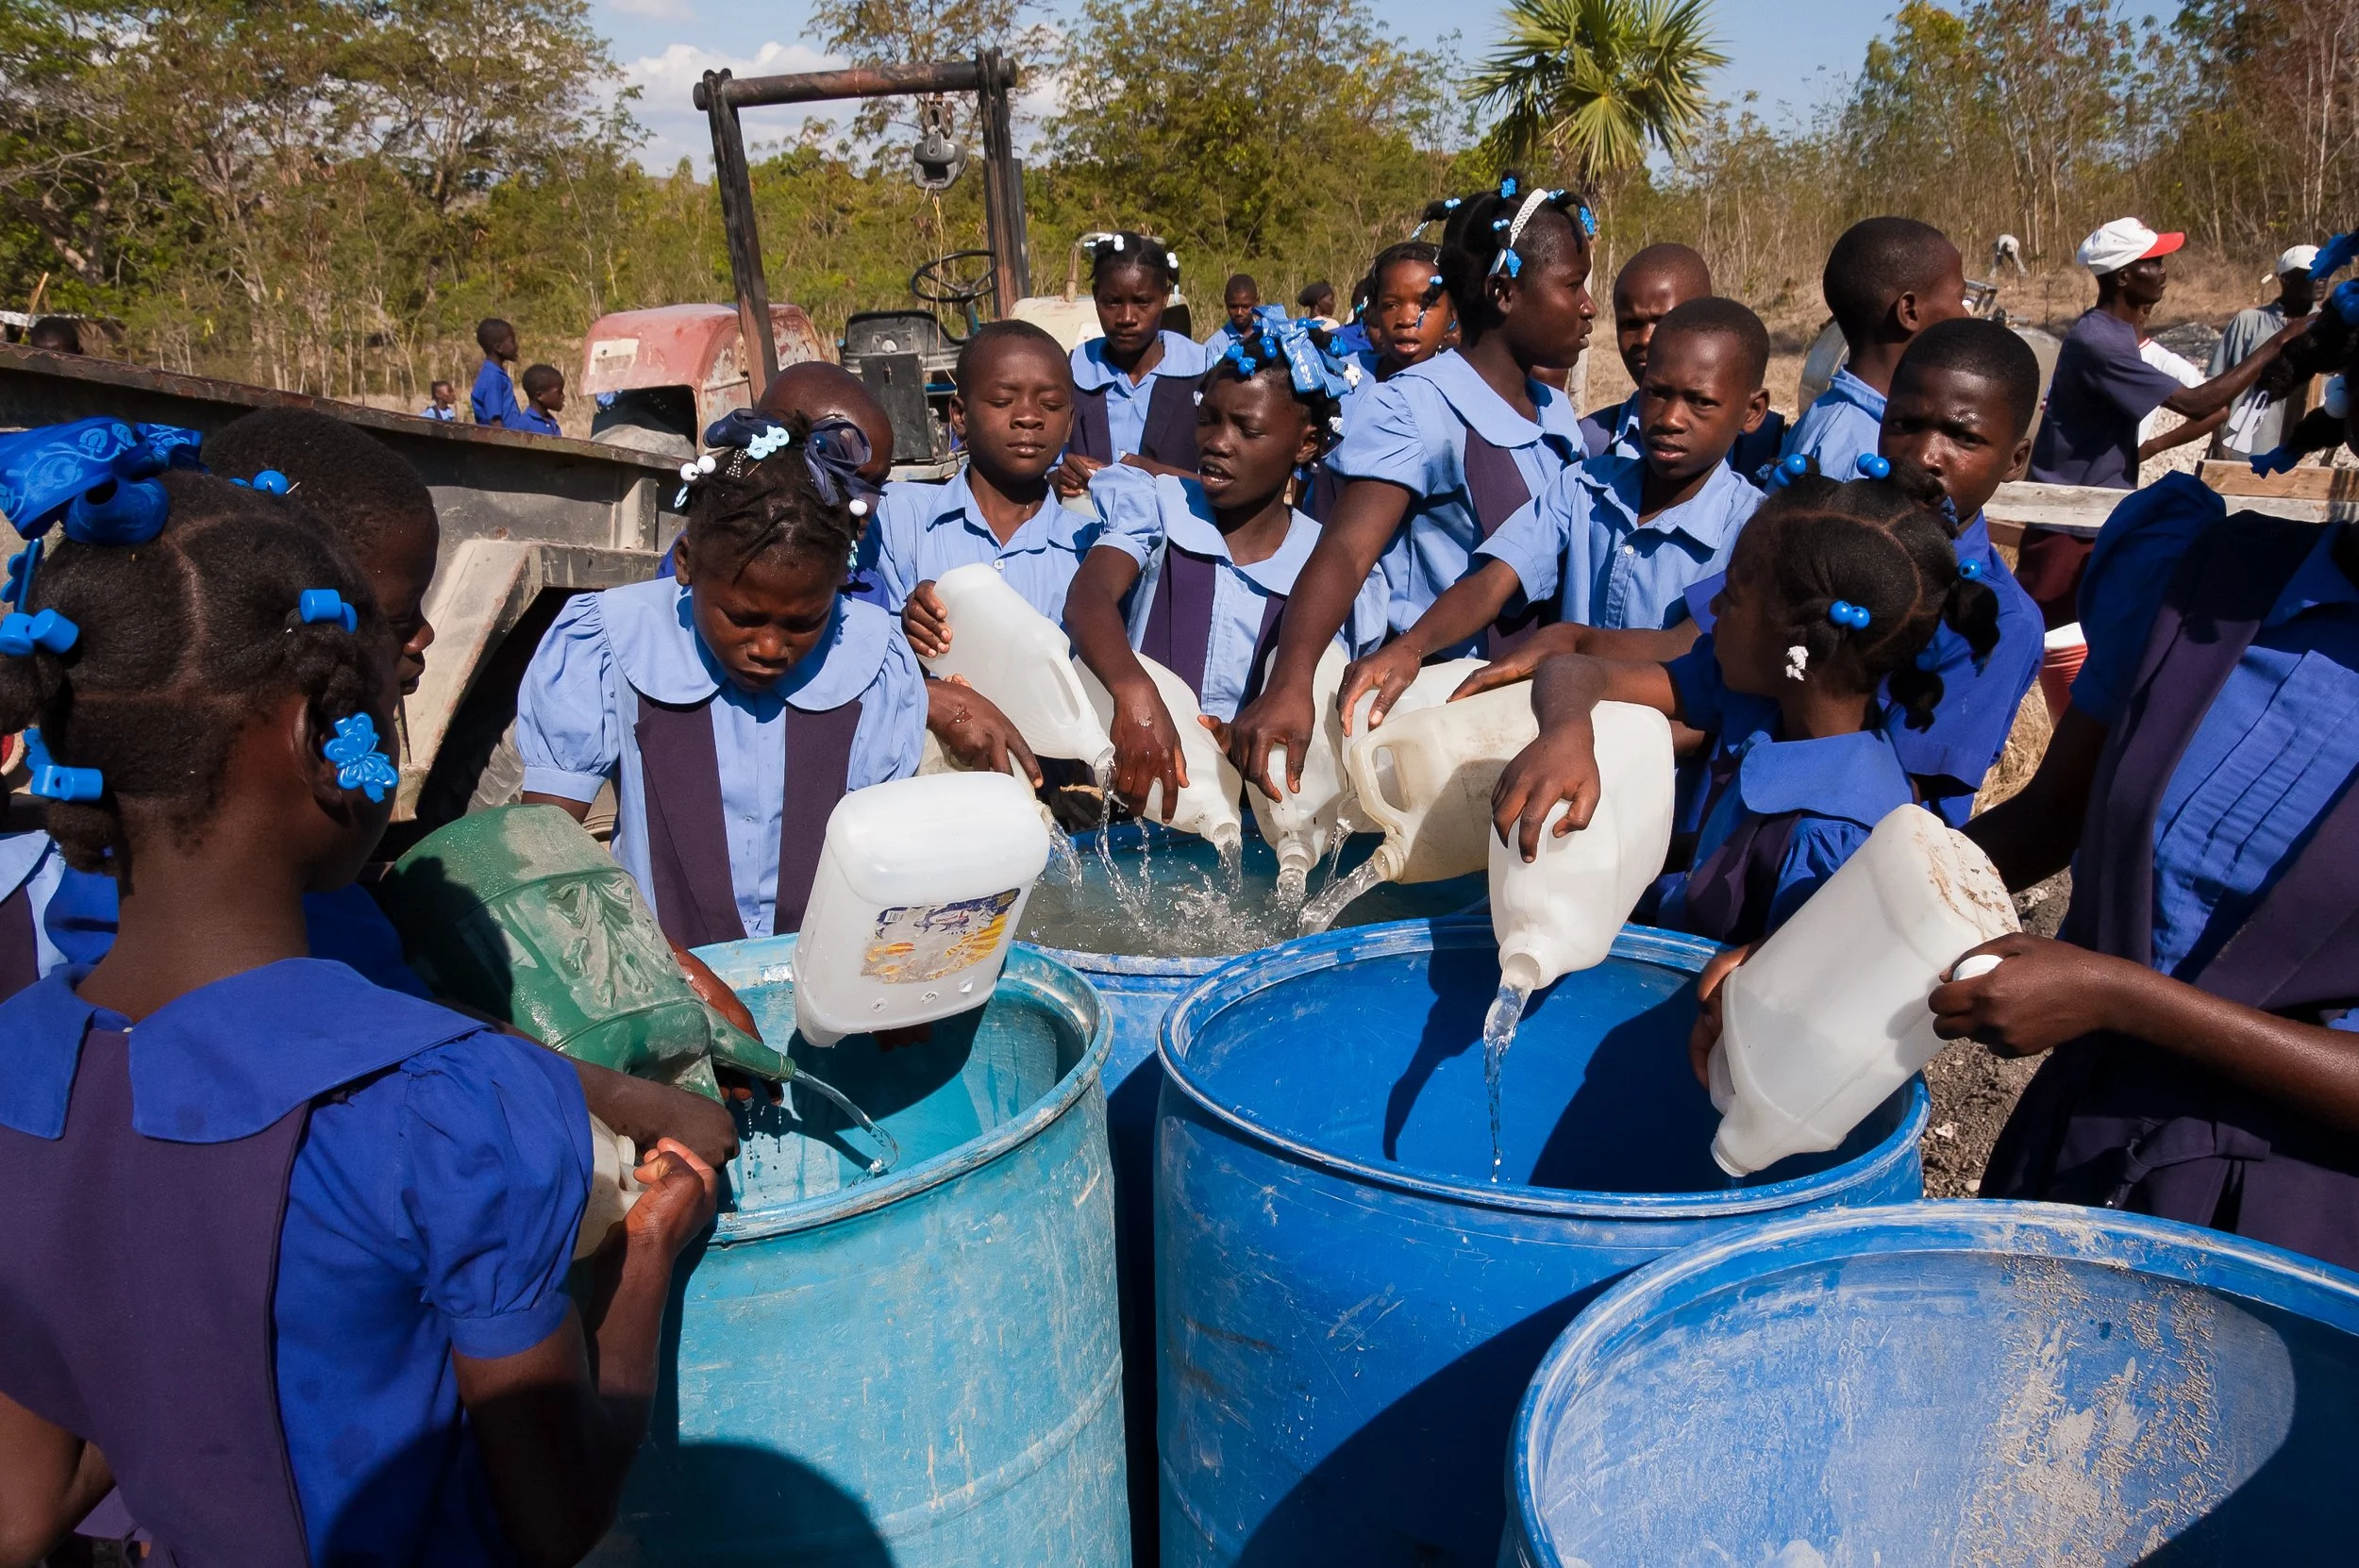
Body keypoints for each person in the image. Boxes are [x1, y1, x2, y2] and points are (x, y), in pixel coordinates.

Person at [0, 466, 717, 1564]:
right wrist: (647, 1263)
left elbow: (21, 1511)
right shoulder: (447, 1104)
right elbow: (557, 1517)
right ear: (308, 738)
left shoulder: (21, 1067)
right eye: (383, 702)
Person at [1938, 399, 2359, 1270]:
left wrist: (2124, 998)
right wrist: (1819, 937)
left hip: (2287, 1247)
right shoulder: (2211, 581)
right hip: (2070, 1162)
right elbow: (2050, 816)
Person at [1458, 318, 2049, 833]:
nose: (1926, 454)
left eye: (1963, 437)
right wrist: (1575, 647)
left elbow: (1913, 821)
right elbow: (1699, 649)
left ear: (2016, 459)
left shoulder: (1994, 622)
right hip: (1714, 837)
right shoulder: (1819, 529)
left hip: (1815, 887)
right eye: (1905, 423)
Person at [1492, 461, 1999, 948]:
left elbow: (1779, 1002)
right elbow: (1576, 670)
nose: (1710, 611)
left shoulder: (1840, 835)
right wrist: (1564, 732)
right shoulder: (1760, 698)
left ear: (1792, 642)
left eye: (1730, 598)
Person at [1227, 175, 1594, 799]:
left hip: (1532, 705)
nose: (1587, 305)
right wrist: (1289, 682)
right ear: (1504, 292)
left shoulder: (1554, 413)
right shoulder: (1417, 409)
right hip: (1432, 704)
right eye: (1571, 285)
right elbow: (1345, 550)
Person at [516, 411, 926, 949]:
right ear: (685, 563)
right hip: (663, 977)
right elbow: (548, 849)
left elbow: (890, 853)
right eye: (743, 618)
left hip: (821, 970)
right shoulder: (608, 641)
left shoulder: (873, 657)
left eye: (804, 623)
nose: (770, 649)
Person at [1338, 297, 1771, 729]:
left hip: (1664, 764)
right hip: (1558, 730)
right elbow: (1493, 581)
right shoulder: (1584, 486)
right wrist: (1412, 646)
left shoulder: (1758, 532)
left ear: (1752, 412)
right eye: (1656, 393)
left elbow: (1689, 647)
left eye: (1701, 402)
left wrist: (1570, 642)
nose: (1671, 418)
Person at [1062, 317, 1385, 817]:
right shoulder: (1159, 508)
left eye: (1248, 429)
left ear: (1306, 445)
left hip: (1266, 826)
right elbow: (1089, 599)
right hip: (1139, 801)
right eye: (1208, 419)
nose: (1218, 441)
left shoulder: (1329, 567)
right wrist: (1134, 691)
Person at [2019, 217, 2310, 626]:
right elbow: (2197, 402)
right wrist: (2280, 341)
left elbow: (2210, 407)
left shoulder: (2117, 333)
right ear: (2123, 276)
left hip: (2098, 510)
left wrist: (2150, 447)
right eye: (2153, 262)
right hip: (2067, 517)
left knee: (2085, 633)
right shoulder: (2099, 341)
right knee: (2041, 631)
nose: (2163, 270)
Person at [1781, 217, 1968, 478]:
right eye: (1960, 298)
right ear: (1910, 311)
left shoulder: (1842, 416)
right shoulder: (1855, 452)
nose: (1966, 315)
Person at [1300, 242, 1456, 520]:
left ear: (1452, 313)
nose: (1407, 319)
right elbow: (1306, 473)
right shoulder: (1338, 379)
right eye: (1391, 305)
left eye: (1425, 304)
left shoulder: (1462, 395)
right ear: (1373, 311)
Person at [1054, 234, 1209, 491]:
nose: (1126, 317)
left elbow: (1228, 483)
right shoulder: (1073, 374)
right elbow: (1046, 464)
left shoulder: (1201, 376)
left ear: (1164, 297)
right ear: (1095, 297)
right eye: (1112, 302)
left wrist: (1159, 474)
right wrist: (1061, 477)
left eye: (1142, 302)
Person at [1577, 242, 1708, 459]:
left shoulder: (1760, 442)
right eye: (1631, 324)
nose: (1645, 339)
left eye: (1663, 321)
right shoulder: (1594, 442)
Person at [2210, 245, 2320, 460]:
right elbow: (2217, 389)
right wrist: (2219, 442)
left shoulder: (2330, 327)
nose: (2322, 279)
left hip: (2306, 459)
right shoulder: (2249, 322)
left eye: (2326, 272)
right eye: (2313, 273)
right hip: (2245, 450)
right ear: (2285, 279)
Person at [471, 317, 525, 427]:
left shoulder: (495, 374)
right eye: (512, 341)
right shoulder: (493, 377)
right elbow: (495, 421)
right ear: (499, 347)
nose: (517, 346)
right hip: (504, 440)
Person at [1202, 274, 1263, 358]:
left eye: (1245, 306)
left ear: (1256, 302)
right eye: (1233, 306)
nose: (1239, 312)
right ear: (1226, 301)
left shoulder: (1267, 338)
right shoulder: (1213, 347)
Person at [515, 363, 566, 436]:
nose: (563, 396)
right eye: (559, 392)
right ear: (540, 396)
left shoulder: (552, 424)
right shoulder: (524, 425)